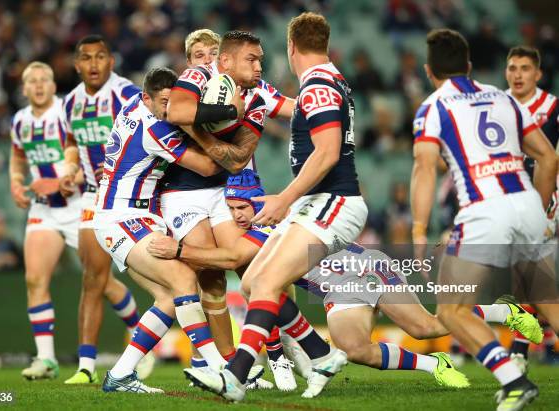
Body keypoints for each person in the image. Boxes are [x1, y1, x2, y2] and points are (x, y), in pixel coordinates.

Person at [149, 170, 542, 390]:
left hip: (363, 271)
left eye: (242, 207)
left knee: (427, 325)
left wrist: (179, 250)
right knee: (356, 349)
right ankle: (433, 365)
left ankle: (501, 309)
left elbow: (234, 257)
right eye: (231, 208)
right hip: (335, 289)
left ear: (259, 203)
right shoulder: (252, 226)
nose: (236, 215)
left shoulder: (267, 224)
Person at [184, 13, 367, 402]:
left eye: (260, 59)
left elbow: (322, 142)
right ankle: (321, 354)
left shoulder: (313, 85)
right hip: (305, 201)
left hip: (323, 200)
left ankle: (239, 374)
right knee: (252, 282)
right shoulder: (325, 83)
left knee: (262, 280)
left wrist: (285, 198)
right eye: (253, 60)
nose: (259, 67)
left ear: (291, 47)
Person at [410, 29, 559, 411]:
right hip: (526, 201)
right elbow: (548, 157)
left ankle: (514, 381)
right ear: (470, 66)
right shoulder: (504, 99)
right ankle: (515, 376)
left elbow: (425, 169)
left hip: (483, 209)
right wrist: (537, 209)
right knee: (548, 300)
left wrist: (419, 229)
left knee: (451, 310)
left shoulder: (433, 107)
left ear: (429, 71)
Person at [93, 67, 256, 393]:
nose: (170, 110)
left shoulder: (132, 106)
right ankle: (222, 369)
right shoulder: (156, 130)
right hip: (123, 217)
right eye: (164, 103)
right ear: (147, 99)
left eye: (174, 102)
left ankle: (120, 375)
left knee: (168, 297)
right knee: (184, 281)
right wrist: (210, 121)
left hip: (133, 215)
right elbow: (209, 165)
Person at [162, 30, 292, 366]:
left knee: (252, 266)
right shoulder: (191, 82)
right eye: (198, 54)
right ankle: (224, 362)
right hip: (183, 192)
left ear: (225, 59)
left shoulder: (250, 87)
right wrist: (225, 112)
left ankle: (280, 352)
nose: (205, 59)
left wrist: (332, 102)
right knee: (212, 277)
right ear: (189, 62)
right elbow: (177, 115)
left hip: (228, 188)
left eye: (212, 53)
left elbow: (292, 108)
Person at [58, 35, 151, 384]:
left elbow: (148, 132)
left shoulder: (126, 93)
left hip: (130, 195)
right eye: (86, 57)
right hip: (92, 196)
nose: (93, 63)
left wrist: (117, 162)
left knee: (164, 280)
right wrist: (70, 169)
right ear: (77, 64)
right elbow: (70, 143)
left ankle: (200, 357)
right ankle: (85, 366)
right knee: (92, 278)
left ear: (111, 62)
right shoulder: (70, 103)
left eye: (100, 57)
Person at [9, 61, 82, 380]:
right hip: (43, 209)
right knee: (35, 280)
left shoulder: (67, 111)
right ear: (24, 89)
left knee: (101, 282)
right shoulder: (20, 121)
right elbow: (17, 157)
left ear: (53, 85)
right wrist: (15, 180)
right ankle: (47, 359)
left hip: (78, 205)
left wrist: (68, 179)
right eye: (32, 81)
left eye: (44, 79)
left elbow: (87, 156)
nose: (38, 85)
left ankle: (138, 330)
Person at [505, 45, 559, 368]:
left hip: (543, 205)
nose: (517, 74)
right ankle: (519, 352)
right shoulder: (496, 104)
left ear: (537, 74)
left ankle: (518, 354)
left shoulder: (552, 108)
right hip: (508, 203)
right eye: (512, 68)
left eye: (525, 68)